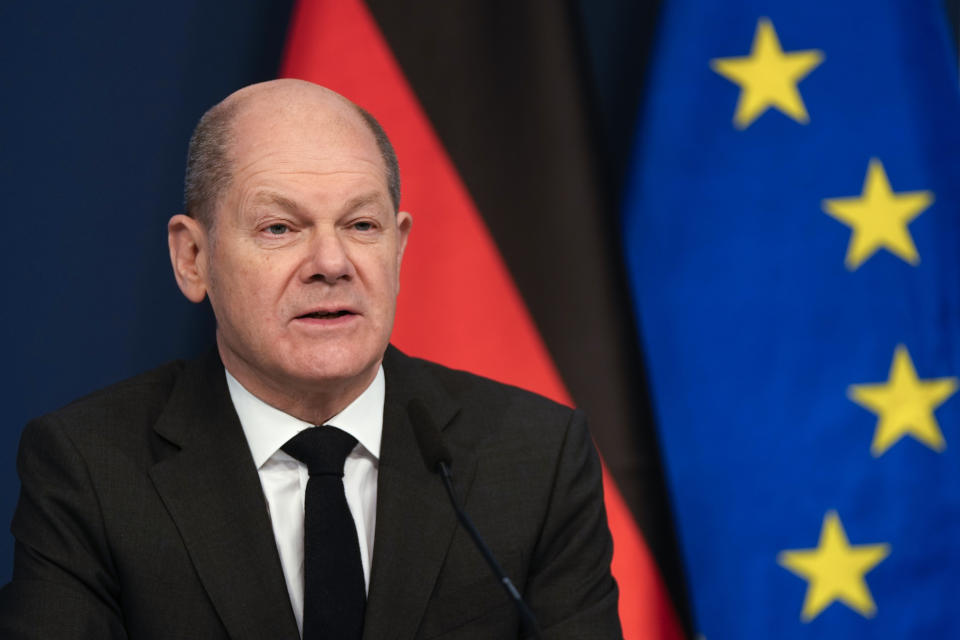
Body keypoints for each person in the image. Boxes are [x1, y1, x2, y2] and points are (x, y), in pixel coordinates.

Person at [0, 79, 622, 639]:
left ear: (399, 249)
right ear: (193, 257)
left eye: (360, 225)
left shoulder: (536, 457)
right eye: (280, 228)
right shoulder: (90, 468)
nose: (332, 263)